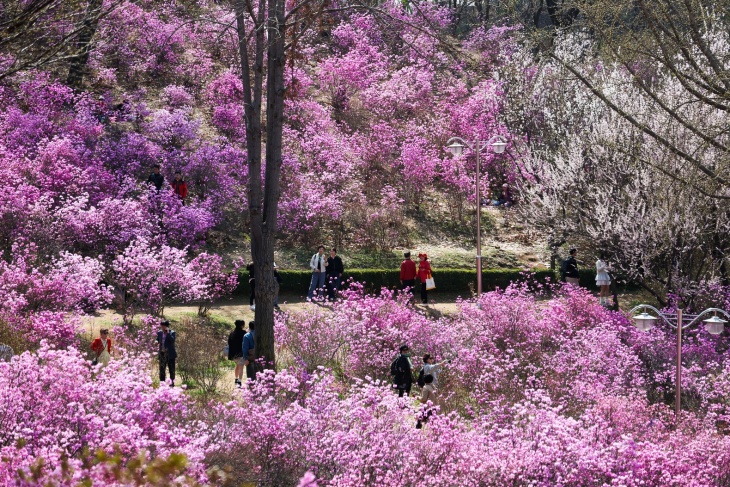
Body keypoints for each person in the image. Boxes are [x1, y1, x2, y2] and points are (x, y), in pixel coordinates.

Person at [156, 320, 177, 386]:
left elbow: (172, 340)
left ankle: (172, 383)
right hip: (162, 354)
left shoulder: (172, 332)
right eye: (161, 326)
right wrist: (156, 341)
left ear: (167, 326)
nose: (162, 327)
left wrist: (168, 333)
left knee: (171, 369)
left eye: (163, 326)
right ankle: (162, 383)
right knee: (162, 369)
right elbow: (158, 339)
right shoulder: (159, 332)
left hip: (170, 354)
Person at [228, 320, 247, 387]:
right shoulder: (244, 333)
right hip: (240, 353)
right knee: (241, 367)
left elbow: (229, 343)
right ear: (242, 325)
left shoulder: (232, 333)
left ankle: (236, 379)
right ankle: (239, 382)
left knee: (237, 366)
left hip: (233, 354)